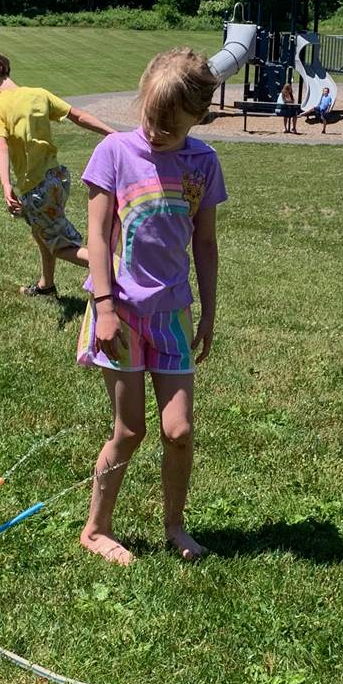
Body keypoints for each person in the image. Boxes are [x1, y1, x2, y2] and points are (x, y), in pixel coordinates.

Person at [76, 48, 227, 565]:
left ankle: (175, 525)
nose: (158, 132)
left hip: (173, 315)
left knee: (179, 430)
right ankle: (96, 529)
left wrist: (208, 310)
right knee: (130, 429)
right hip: (119, 311)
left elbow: (205, 244)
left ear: (198, 116)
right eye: (152, 118)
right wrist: (104, 306)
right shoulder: (115, 152)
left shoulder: (203, 163)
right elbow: (96, 235)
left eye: (172, 125)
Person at [0, 47, 114, 297]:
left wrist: (5, 184)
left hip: (36, 188)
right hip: (57, 179)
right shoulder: (38, 94)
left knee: (59, 246)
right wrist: (115, 134)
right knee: (40, 231)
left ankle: (115, 267)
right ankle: (47, 285)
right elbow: (77, 116)